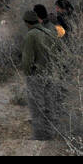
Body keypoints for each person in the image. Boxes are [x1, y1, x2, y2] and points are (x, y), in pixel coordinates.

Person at [21, 9, 61, 139]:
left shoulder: (31, 35)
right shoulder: (50, 32)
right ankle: (51, 134)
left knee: (37, 106)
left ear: (27, 23)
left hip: (36, 75)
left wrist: (27, 73)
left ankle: (39, 136)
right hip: (51, 73)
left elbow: (27, 60)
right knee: (50, 104)